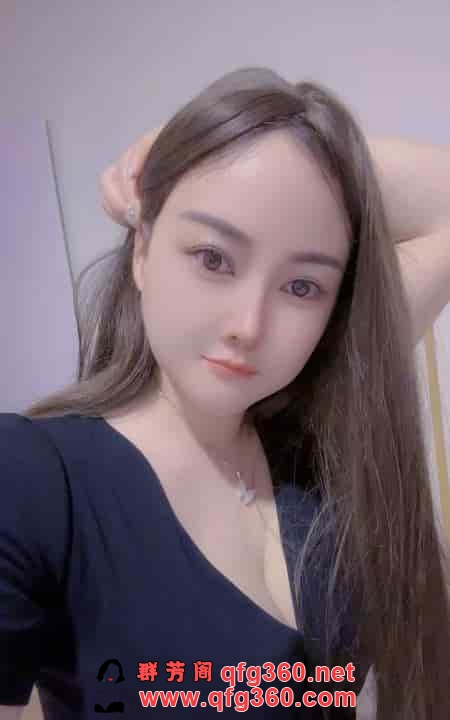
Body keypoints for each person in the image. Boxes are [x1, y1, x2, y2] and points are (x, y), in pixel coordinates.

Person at [1, 66, 450, 719]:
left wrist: (265, 147)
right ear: (142, 250)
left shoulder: (315, 423)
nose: (250, 326)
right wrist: (203, 158)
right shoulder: (33, 479)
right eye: (214, 258)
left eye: (302, 286)